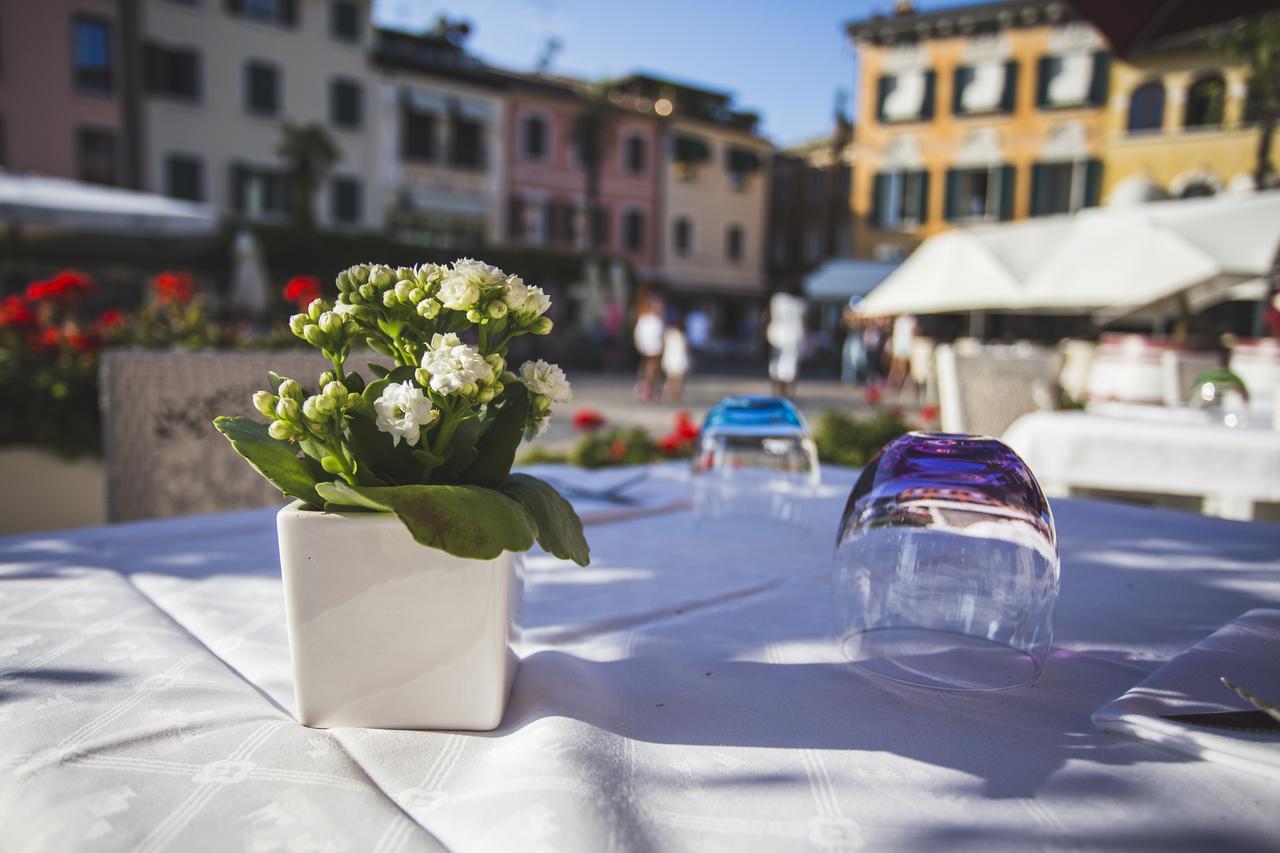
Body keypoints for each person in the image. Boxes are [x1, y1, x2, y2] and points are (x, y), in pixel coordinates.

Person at [766, 286, 806, 398]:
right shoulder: (799, 304)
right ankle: (786, 395)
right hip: (790, 339)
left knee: (778, 368)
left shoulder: (778, 300)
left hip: (779, 337)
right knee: (787, 369)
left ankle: (779, 394)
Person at [633, 293, 665, 401]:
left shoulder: (649, 319)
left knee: (649, 366)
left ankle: (647, 386)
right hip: (651, 347)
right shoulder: (650, 319)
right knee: (651, 367)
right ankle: (647, 387)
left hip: (650, 346)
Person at [662, 310, 690, 403]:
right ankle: (674, 394)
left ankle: (673, 394)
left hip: (672, 357)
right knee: (677, 378)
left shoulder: (669, 333)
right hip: (676, 357)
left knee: (672, 378)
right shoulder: (680, 335)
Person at [886, 313, 917, 395]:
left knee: (901, 367)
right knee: (903, 367)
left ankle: (899, 383)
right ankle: (900, 383)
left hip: (902, 346)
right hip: (905, 346)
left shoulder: (900, 320)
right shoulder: (910, 320)